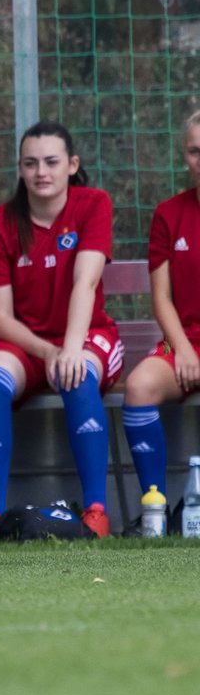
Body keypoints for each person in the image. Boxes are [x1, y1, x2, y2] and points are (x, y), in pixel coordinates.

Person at [0, 121, 123, 539]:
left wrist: (70, 349)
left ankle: (96, 511)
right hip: (26, 342)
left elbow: (85, 282)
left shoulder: (93, 204)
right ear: (20, 169)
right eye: (31, 163)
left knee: (78, 376)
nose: (42, 172)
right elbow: (1, 318)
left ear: (72, 165)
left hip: (87, 333)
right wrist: (48, 352)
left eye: (52, 162)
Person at [119, 110, 200, 534]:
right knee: (138, 386)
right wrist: (183, 348)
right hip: (182, 344)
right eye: (194, 150)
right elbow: (161, 298)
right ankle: (156, 510)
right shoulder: (169, 213)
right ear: (184, 157)